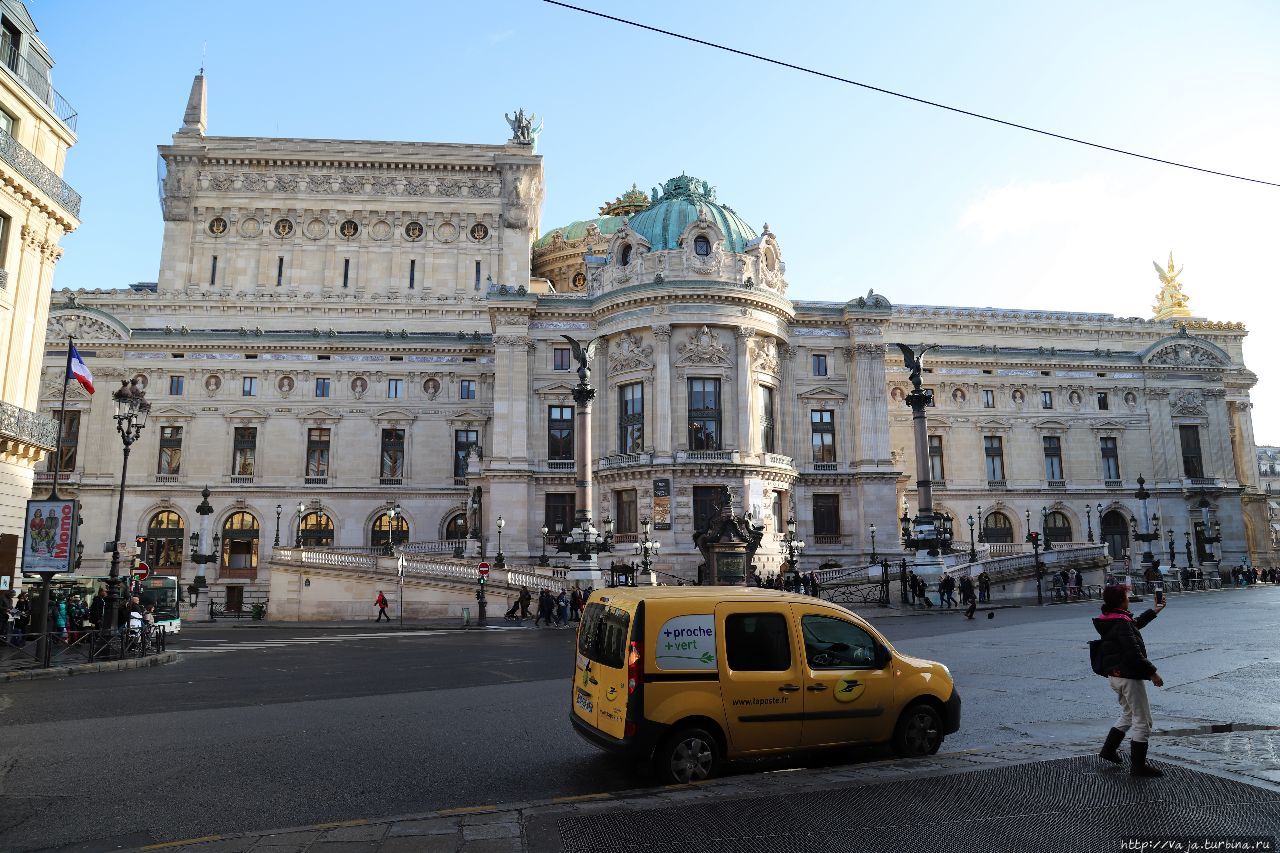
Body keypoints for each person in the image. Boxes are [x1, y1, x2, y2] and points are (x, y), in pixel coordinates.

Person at [1094, 585, 1166, 777]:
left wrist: (1154, 611)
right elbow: (1134, 652)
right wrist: (1153, 673)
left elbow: (1132, 625)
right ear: (1120, 601)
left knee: (1128, 713)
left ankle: (1108, 750)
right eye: (1126, 596)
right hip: (1128, 676)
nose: (1128, 599)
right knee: (1143, 720)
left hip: (1114, 675)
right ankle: (1138, 766)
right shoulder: (1121, 622)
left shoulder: (1110, 619)